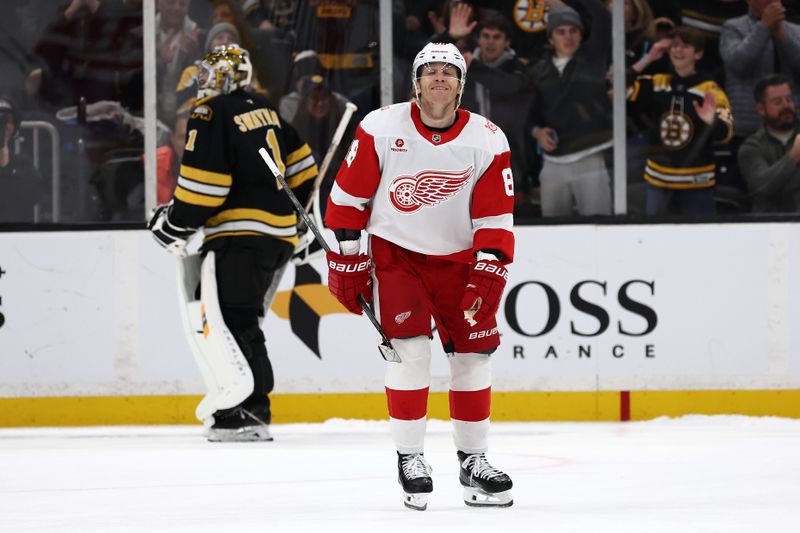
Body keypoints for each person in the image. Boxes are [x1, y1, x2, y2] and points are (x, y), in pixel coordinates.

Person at [324, 42, 515, 511]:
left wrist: (490, 266)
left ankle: (474, 461)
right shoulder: (380, 127)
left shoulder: (488, 139)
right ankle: (410, 458)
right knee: (410, 354)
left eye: (448, 72)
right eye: (429, 71)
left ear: (460, 84)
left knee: (473, 357)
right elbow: (347, 199)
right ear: (416, 81)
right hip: (397, 256)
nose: (439, 78)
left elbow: (495, 214)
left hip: (460, 260)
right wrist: (347, 257)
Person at [148, 45, 318, 441]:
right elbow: (306, 169)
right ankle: (248, 407)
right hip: (276, 238)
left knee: (233, 321)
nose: (203, 82)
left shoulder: (212, 111)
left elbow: (205, 186)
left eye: (210, 74)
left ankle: (248, 411)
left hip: (239, 234)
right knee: (244, 320)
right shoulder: (267, 111)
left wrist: (174, 223)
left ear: (228, 75)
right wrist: (295, 222)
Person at [628, 26, 734, 215]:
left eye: (685, 46)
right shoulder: (657, 83)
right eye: (674, 46)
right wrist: (648, 58)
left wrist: (712, 122)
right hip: (658, 182)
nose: (678, 50)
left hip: (697, 183)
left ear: (698, 54)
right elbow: (615, 86)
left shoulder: (710, 89)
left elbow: (727, 132)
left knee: (699, 241)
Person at [526, 0, 613, 216]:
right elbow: (530, 115)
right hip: (553, 163)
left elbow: (603, 17)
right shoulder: (538, 72)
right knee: (552, 231)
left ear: (582, 34)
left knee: (599, 229)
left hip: (591, 159)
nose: (568, 37)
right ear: (550, 38)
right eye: (561, 31)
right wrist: (537, 132)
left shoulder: (593, 59)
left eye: (574, 30)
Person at [459, 13, 532, 209]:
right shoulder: (460, 66)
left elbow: (508, 86)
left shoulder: (518, 67)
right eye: (486, 36)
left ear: (507, 41)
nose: (490, 42)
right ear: (479, 38)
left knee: (511, 216)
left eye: (497, 37)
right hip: (468, 155)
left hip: (510, 156)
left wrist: (473, 67)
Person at [738, 74, 800, 212]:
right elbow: (762, 188)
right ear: (761, 109)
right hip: (767, 227)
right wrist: (793, 156)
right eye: (777, 102)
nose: (786, 106)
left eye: (789, 99)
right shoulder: (751, 147)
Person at [0, 96, 47, 223]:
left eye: (6, 120)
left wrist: (5, 164)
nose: (3, 126)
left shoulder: (23, 165)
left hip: (18, 234)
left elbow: (34, 196)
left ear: (15, 127)